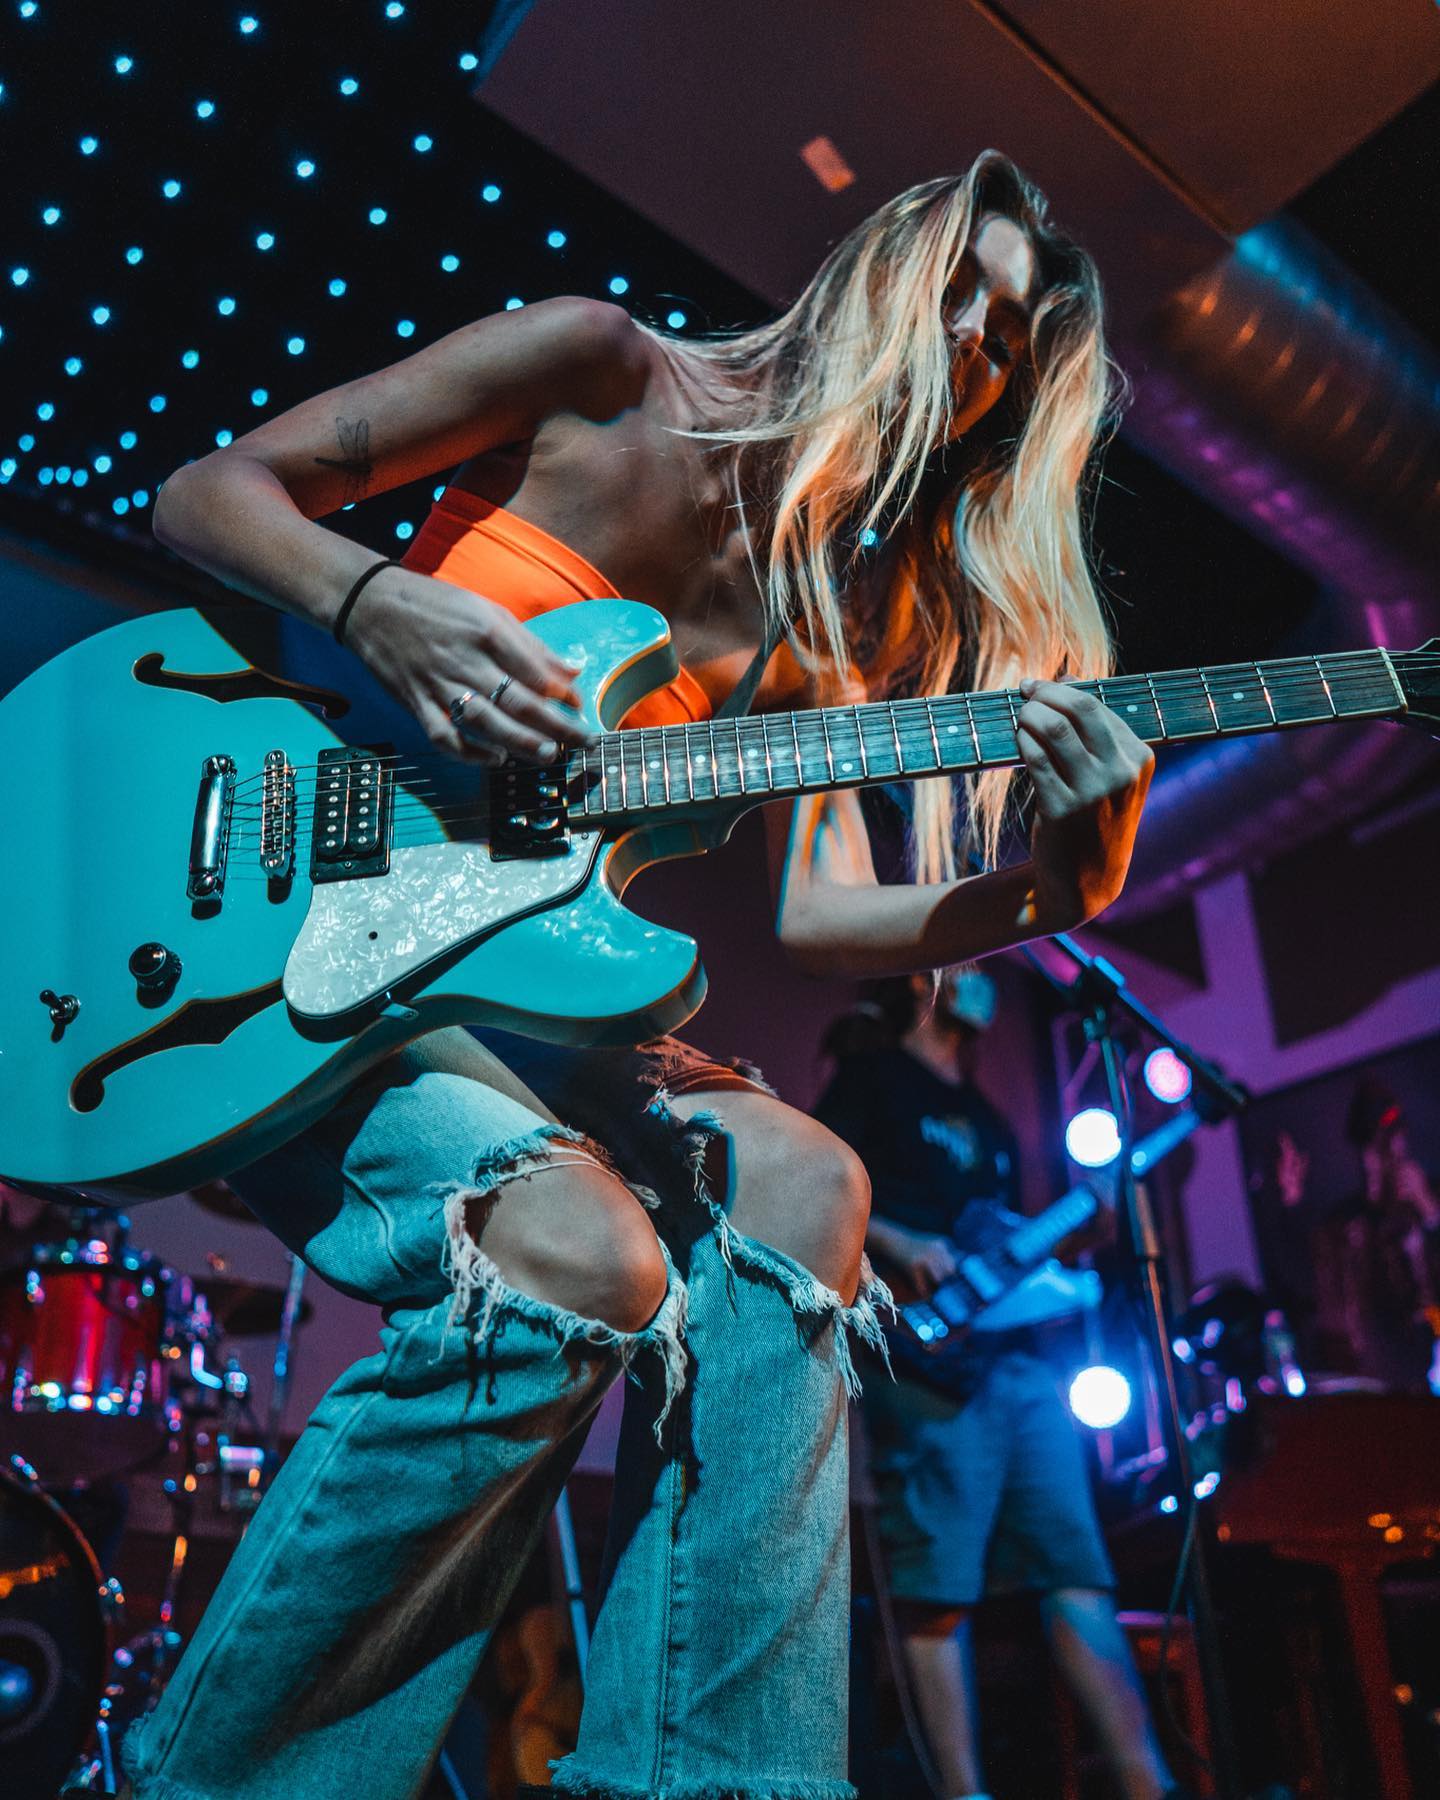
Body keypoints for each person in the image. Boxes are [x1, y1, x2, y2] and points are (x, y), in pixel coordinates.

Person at [120, 150, 1155, 1800]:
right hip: (295, 935)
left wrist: (1050, 885)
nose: (970, 351)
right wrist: (379, 602)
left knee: (811, 1179)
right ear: (881, 264)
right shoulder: (606, 365)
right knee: (572, 1254)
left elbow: (823, 919)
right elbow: (206, 492)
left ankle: (714, 1778)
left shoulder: (831, 626)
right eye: (966, 297)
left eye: (1006, 351)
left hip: (512, 984)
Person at [816, 967, 1184, 1800]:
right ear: (926, 979)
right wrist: (904, 1241)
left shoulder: (990, 1120)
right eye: (972, 967)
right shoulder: (873, 1079)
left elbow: (1002, 1246)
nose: (987, 984)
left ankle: (1146, 1783)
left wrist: (1073, 1244)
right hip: (922, 1363)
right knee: (937, 1588)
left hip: (1019, 1368)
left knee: (1076, 1567)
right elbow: (818, 1182)